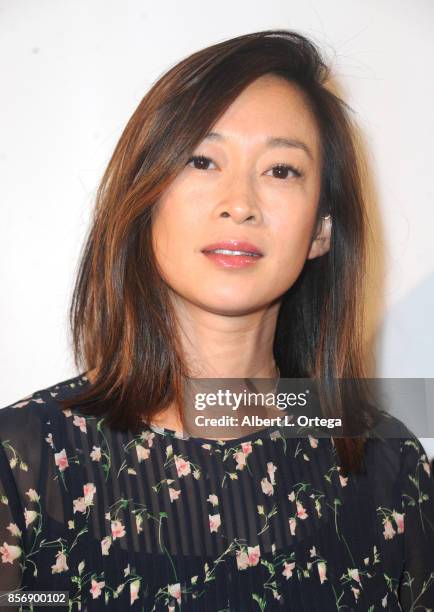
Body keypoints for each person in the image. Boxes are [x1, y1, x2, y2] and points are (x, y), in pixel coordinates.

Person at [1, 29, 433, 611]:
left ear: (322, 229)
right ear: (145, 198)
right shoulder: (23, 463)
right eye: (201, 160)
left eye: (282, 170)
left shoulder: (390, 472)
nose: (239, 203)